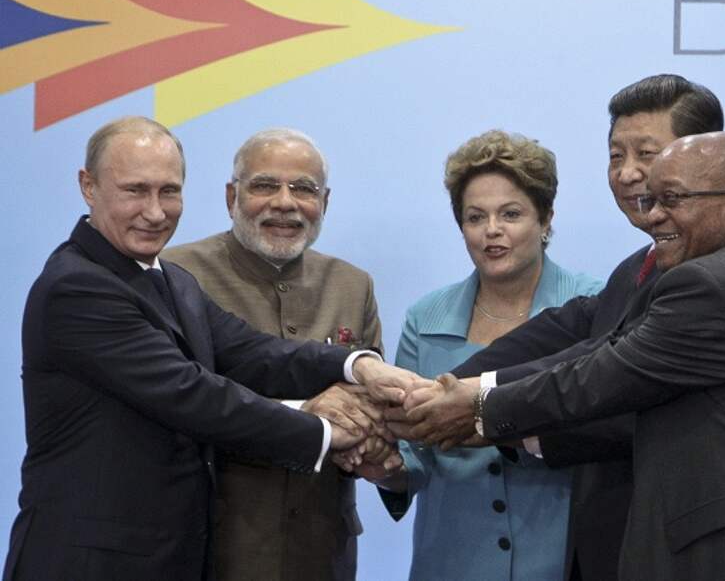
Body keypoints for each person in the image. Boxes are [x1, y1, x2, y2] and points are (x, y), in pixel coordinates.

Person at [406, 132, 725, 580]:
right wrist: (465, 390)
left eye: (672, 200)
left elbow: (602, 375)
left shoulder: (717, 284)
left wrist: (477, 407)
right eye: (652, 200)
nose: (652, 216)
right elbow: (597, 349)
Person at [3, 116, 412, 580]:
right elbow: (193, 395)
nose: (155, 212)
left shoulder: (170, 280)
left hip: (168, 559)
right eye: (135, 190)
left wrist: (360, 365)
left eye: (169, 191)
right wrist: (324, 427)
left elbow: (253, 353)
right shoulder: (77, 287)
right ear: (88, 186)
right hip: (89, 563)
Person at [431, 74, 724, 581]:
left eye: (647, 154)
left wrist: (481, 410)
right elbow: (567, 334)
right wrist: (437, 390)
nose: (628, 173)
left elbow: (617, 393)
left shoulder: (716, 278)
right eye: (616, 156)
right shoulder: (636, 270)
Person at [370, 130, 601, 580]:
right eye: (475, 217)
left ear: (546, 219)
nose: (491, 230)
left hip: (562, 559)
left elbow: (603, 433)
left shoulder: (593, 304)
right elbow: (413, 456)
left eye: (510, 214)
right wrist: (384, 468)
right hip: (451, 561)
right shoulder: (425, 317)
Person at [161, 128, 383, 580]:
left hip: (321, 552)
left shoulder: (352, 284)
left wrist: (371, 435)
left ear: (324, 202)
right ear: (232, 197)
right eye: (265, 185)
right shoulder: (177, 275)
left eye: (304, 189)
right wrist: (311, 413)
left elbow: (368, 409)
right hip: (212, 548)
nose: (285, 202)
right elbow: (177, 408)